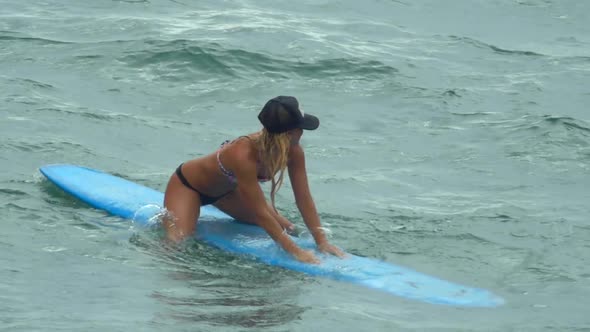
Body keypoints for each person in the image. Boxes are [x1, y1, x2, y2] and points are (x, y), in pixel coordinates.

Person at [162, 96, 345, 264]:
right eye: (300, 129)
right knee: (178, 244)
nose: (302, 133)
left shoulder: (294, 152)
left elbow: (303, 198)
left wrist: (321, 241)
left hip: (227, 193)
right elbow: (260, 213)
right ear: (290, 133)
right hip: (189, 187)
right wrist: (296, 252)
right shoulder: (243, 154)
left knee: (288, 228)